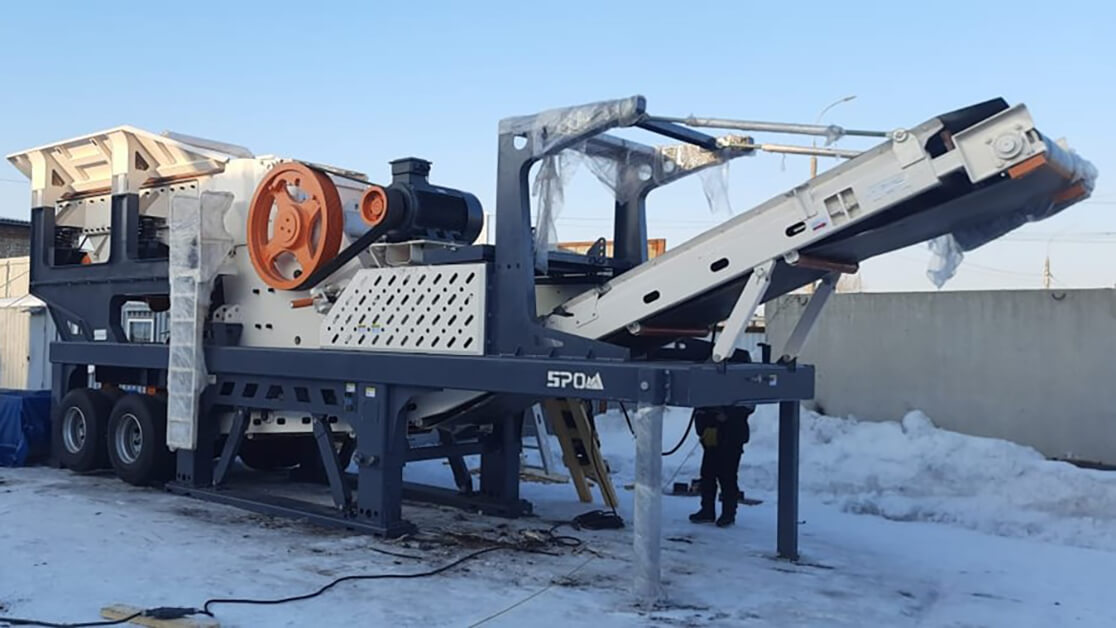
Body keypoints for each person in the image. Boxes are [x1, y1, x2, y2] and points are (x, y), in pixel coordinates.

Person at [689, 404, 753, 527]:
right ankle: (707, 510)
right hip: (712, 433)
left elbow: (748, 406)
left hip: (732, 435)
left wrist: (728, 415)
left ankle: (728, 514)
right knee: (707, 474)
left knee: (727, 476)